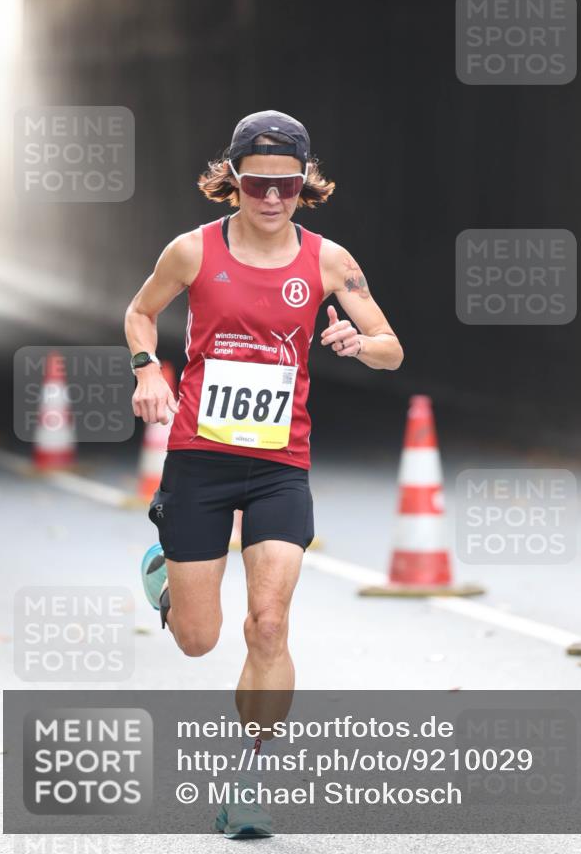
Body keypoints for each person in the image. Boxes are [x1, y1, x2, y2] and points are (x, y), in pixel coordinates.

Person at [125, 110, 403, 836]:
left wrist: (354, 341)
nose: (272, 198)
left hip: (281, 465)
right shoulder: (191, 251)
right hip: (199, 459)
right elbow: (138, 312)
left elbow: (390, 349)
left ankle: (247, 781)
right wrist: (146, 368)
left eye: (286, 184)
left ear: (304, 185)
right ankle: (163, 562)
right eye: (257, 183)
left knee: (269, 624)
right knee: (197, 637)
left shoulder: (329, 262)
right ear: (234, 183)